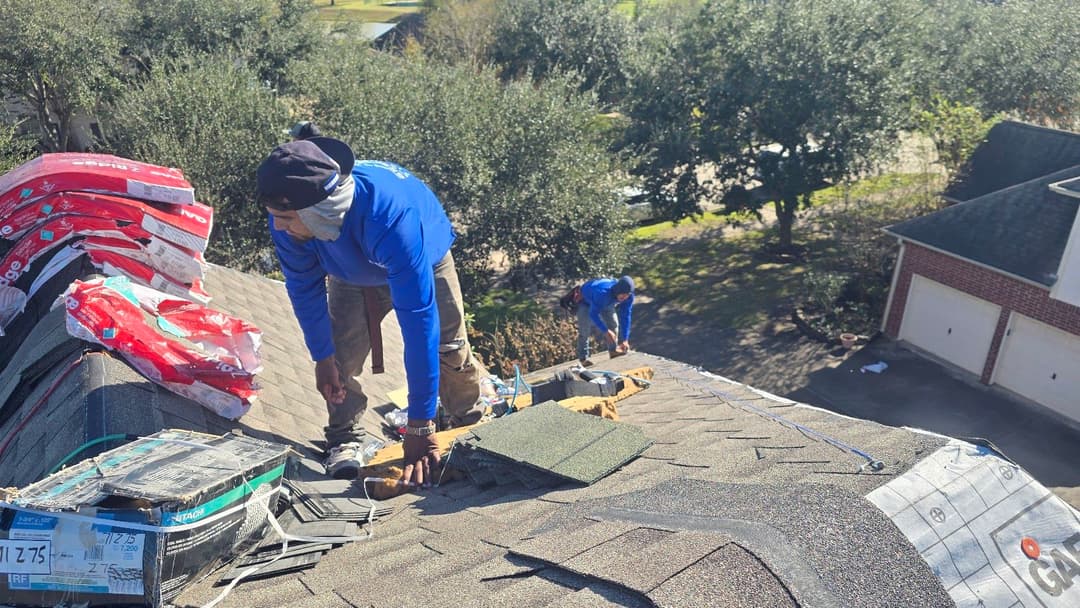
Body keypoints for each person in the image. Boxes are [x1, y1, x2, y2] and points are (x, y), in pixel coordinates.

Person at [256, 137, 489, 484]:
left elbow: (419, 323)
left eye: (286, 218)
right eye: (275, 217)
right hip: (350, 270)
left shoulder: (391, 217)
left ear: (323, 210)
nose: (278, 227)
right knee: (341, 359)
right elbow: (305, 292)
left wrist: (421, 425)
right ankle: (343, 436)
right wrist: (322, 358)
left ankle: (467, 422)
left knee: (448, 348)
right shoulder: (293, 225)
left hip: (424, 257)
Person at [573, 276, 635, 367]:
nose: (624, 297)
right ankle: (583, 359)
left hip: (608, 301)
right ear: (617, 290)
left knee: (614, 325)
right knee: (584, 331)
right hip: (585, 301)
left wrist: (625, 339)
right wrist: (605, 331)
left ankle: (613, 351)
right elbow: (593, 314)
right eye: (622, 294)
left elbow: (626, 316)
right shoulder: (602, 294)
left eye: (627, 295)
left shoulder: (629, 297)